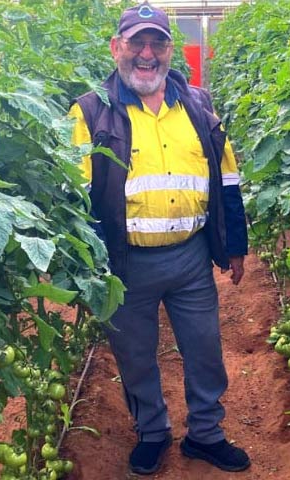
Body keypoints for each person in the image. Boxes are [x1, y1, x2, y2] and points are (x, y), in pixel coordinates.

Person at [68, 2, 249, 475]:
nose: (147, 54)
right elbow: (77, 196)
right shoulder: (90, 112)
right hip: (125, 265)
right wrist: (89, 269)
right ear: (117, 48)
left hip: (190, 257)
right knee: (135, 355)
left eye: (157, 43)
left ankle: (205, 433)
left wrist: (235, 246)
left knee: (205, 348)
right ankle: (152, 432)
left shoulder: (197, 104)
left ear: (170, 51)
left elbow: (227, 178)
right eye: (136, 43)